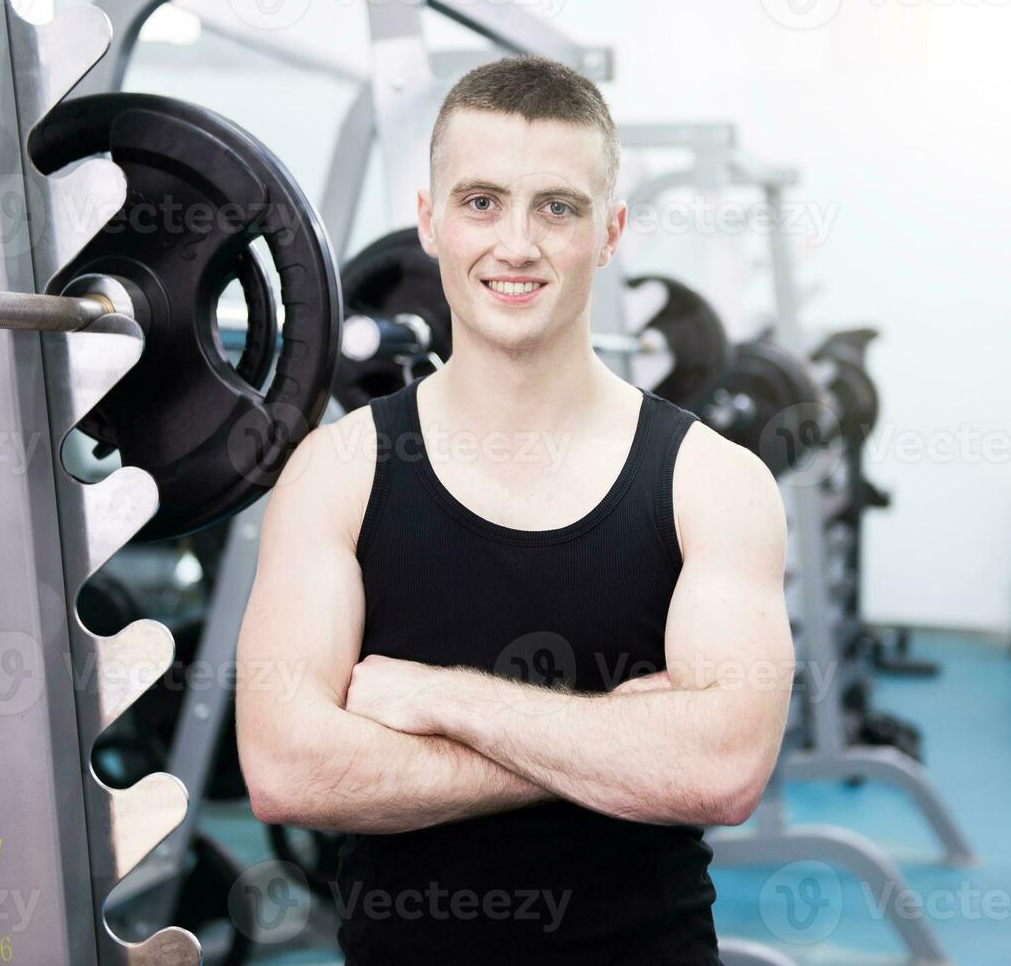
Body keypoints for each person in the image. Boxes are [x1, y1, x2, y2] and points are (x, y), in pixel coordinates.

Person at [237, 54, 793, 965]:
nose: (517, 245)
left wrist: (432, 696)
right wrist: (618, 743)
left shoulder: (712, 482)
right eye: (481, 201)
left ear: (610, 232)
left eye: (558, 208)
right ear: (428, 220)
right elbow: (289, 770)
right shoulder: (338, 472)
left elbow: (720, 771)